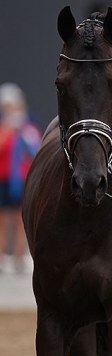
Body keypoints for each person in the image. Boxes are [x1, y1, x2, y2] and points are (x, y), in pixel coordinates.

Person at [0, 83, 41, 273]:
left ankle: (18, 259)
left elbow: (36, 151)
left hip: (22, 179)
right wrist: (8, 130)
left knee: (19, 221)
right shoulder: (3, 127)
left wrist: (23, 133)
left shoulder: (29, 127)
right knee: (2, 221)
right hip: (3, 179)